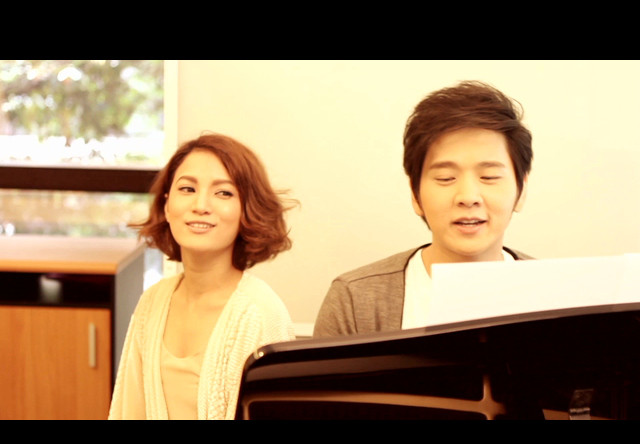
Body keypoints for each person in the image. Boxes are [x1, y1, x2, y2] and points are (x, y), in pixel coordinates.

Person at [313, 80, 533, 337]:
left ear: (521, 190)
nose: (468, 197)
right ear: (415, 194)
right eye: (445, 178)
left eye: (489, 177)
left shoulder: (560, 295)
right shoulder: (354, 300)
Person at [109, 132, 297, 419]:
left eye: (223, 193)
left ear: (246, 210)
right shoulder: (152, 302)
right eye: (187, 189)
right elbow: (127, 411)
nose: (200, 205)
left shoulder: (261, 314)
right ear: (166, 205)